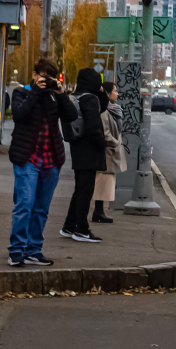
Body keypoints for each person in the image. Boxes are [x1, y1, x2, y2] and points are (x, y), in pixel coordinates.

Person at [6, 58, 78, 267]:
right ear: (34, 75)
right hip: (27, 159)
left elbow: (71, 115)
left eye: (50, 78)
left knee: (41, 209)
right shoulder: (22, 92)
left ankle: (33, 250)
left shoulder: (54, 97)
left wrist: (60, 93)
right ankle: (17, 250)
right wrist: (37, 92)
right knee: (25, 205)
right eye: (43, 76)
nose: (46, 81)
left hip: (50, 161)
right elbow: (19, 115)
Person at [61, 68, 107, 243]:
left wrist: (100, 91)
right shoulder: (90, 99)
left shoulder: (78, 96)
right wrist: (102, 144)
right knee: (85, 191)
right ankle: (82, 229)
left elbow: (102, 106)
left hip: (78, 148)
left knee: (80, 189)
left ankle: (69, 226)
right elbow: (94, 126)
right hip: (90, 151)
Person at [93, 80, 124, 224]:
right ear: (108, 93)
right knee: (103, 182)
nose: (117, 93)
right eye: (115, 91)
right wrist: (116, 142)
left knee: (106, 182)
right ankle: (98, 212)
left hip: (111, 151)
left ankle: (100, 211)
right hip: (107, 151)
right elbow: (105, 132)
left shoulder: (113, 108)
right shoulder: (104, 110)